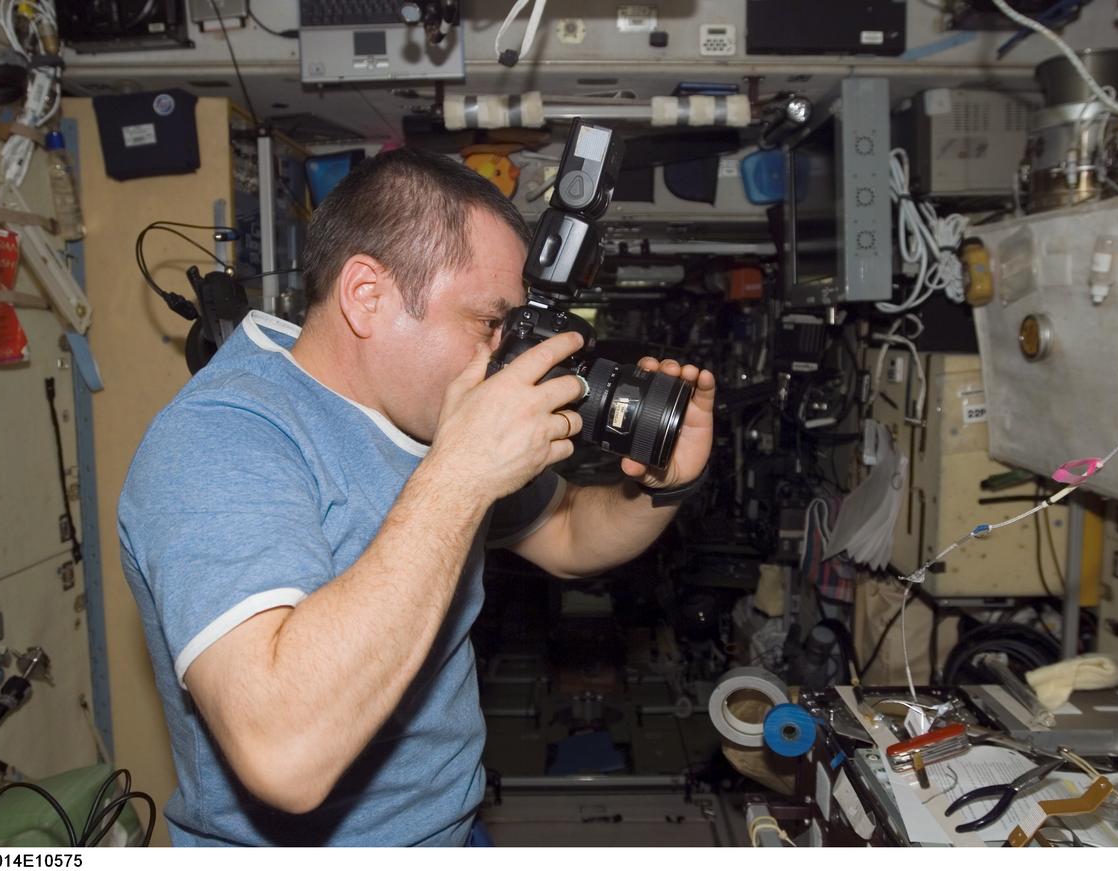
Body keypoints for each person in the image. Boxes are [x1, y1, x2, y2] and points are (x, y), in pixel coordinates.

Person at [118, 147, 715, 846]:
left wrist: (671, 485)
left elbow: (569, 534)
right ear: (367, 295)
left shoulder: (421, 416)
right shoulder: (219, 440)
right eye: (489, 324)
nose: (505, 355)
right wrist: (461, 474)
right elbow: (283, 752)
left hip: (454, 831)